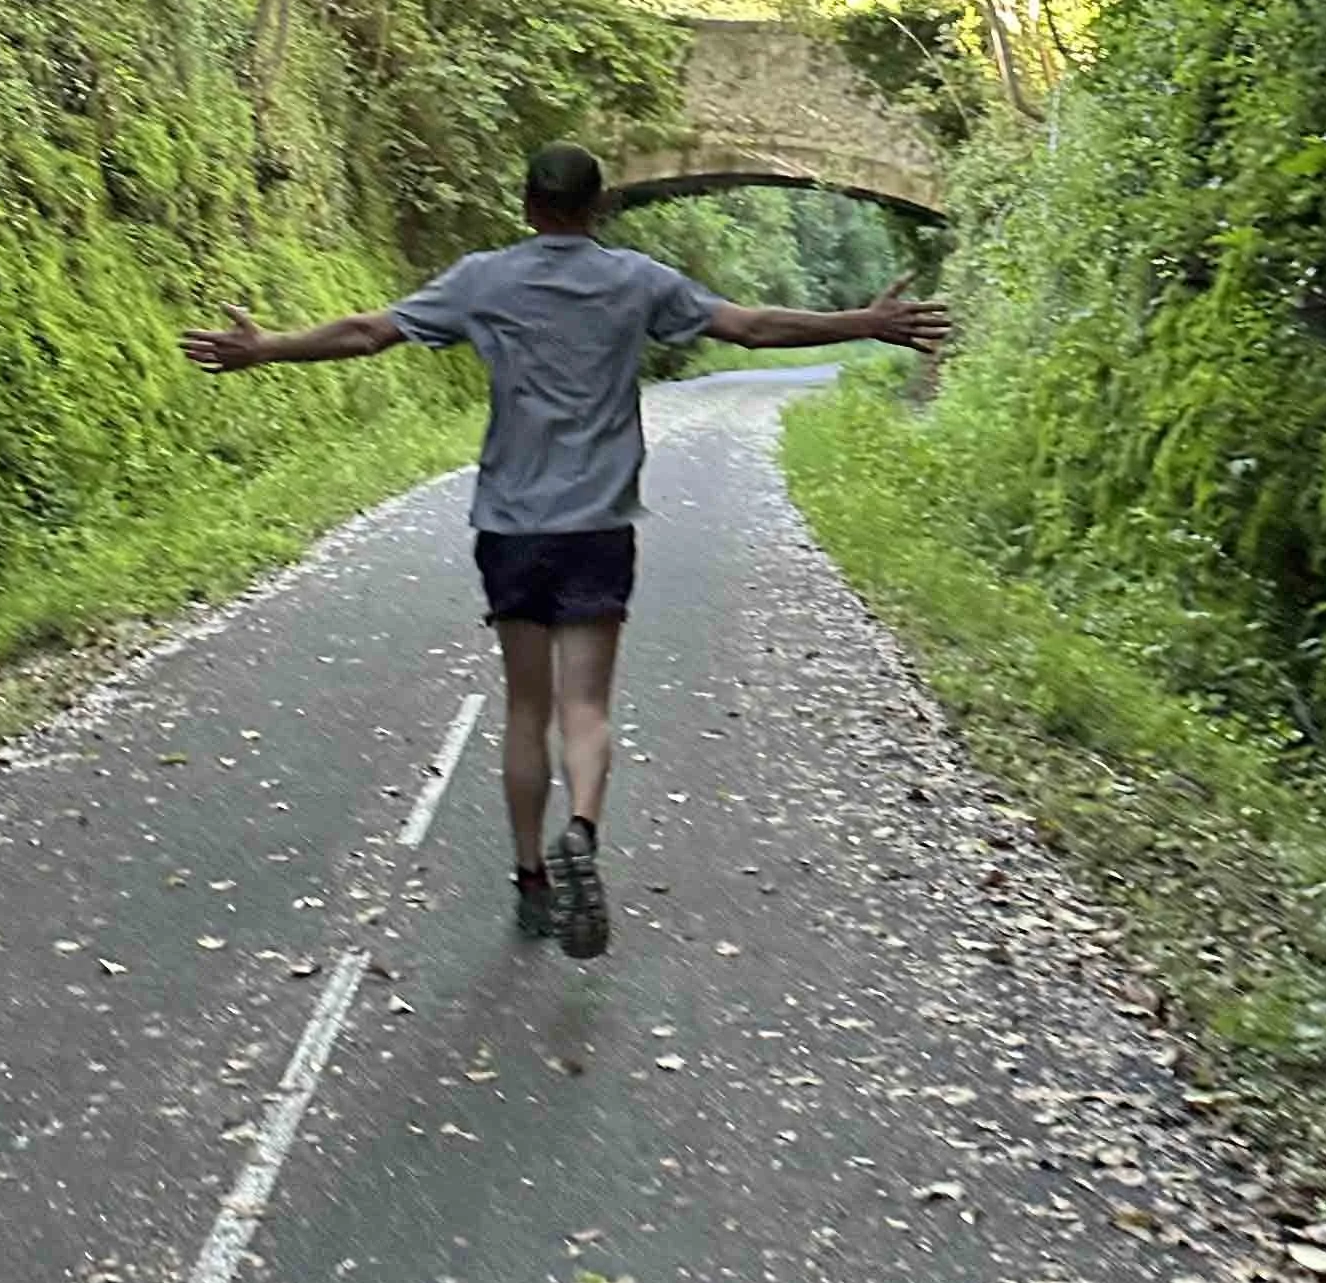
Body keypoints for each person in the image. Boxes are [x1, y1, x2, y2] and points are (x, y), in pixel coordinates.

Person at [180, 142, 950, 959]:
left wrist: (265, 347)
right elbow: (751, 327)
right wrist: (863, 323)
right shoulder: (636, 280)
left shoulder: (482, 278)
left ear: (527, 204)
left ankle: (529, 878)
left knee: (525, 707)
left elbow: (370, 332)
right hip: (597, 526)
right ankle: (581, 826)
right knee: (586, 707)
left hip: (511, 526)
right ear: (597, 206)